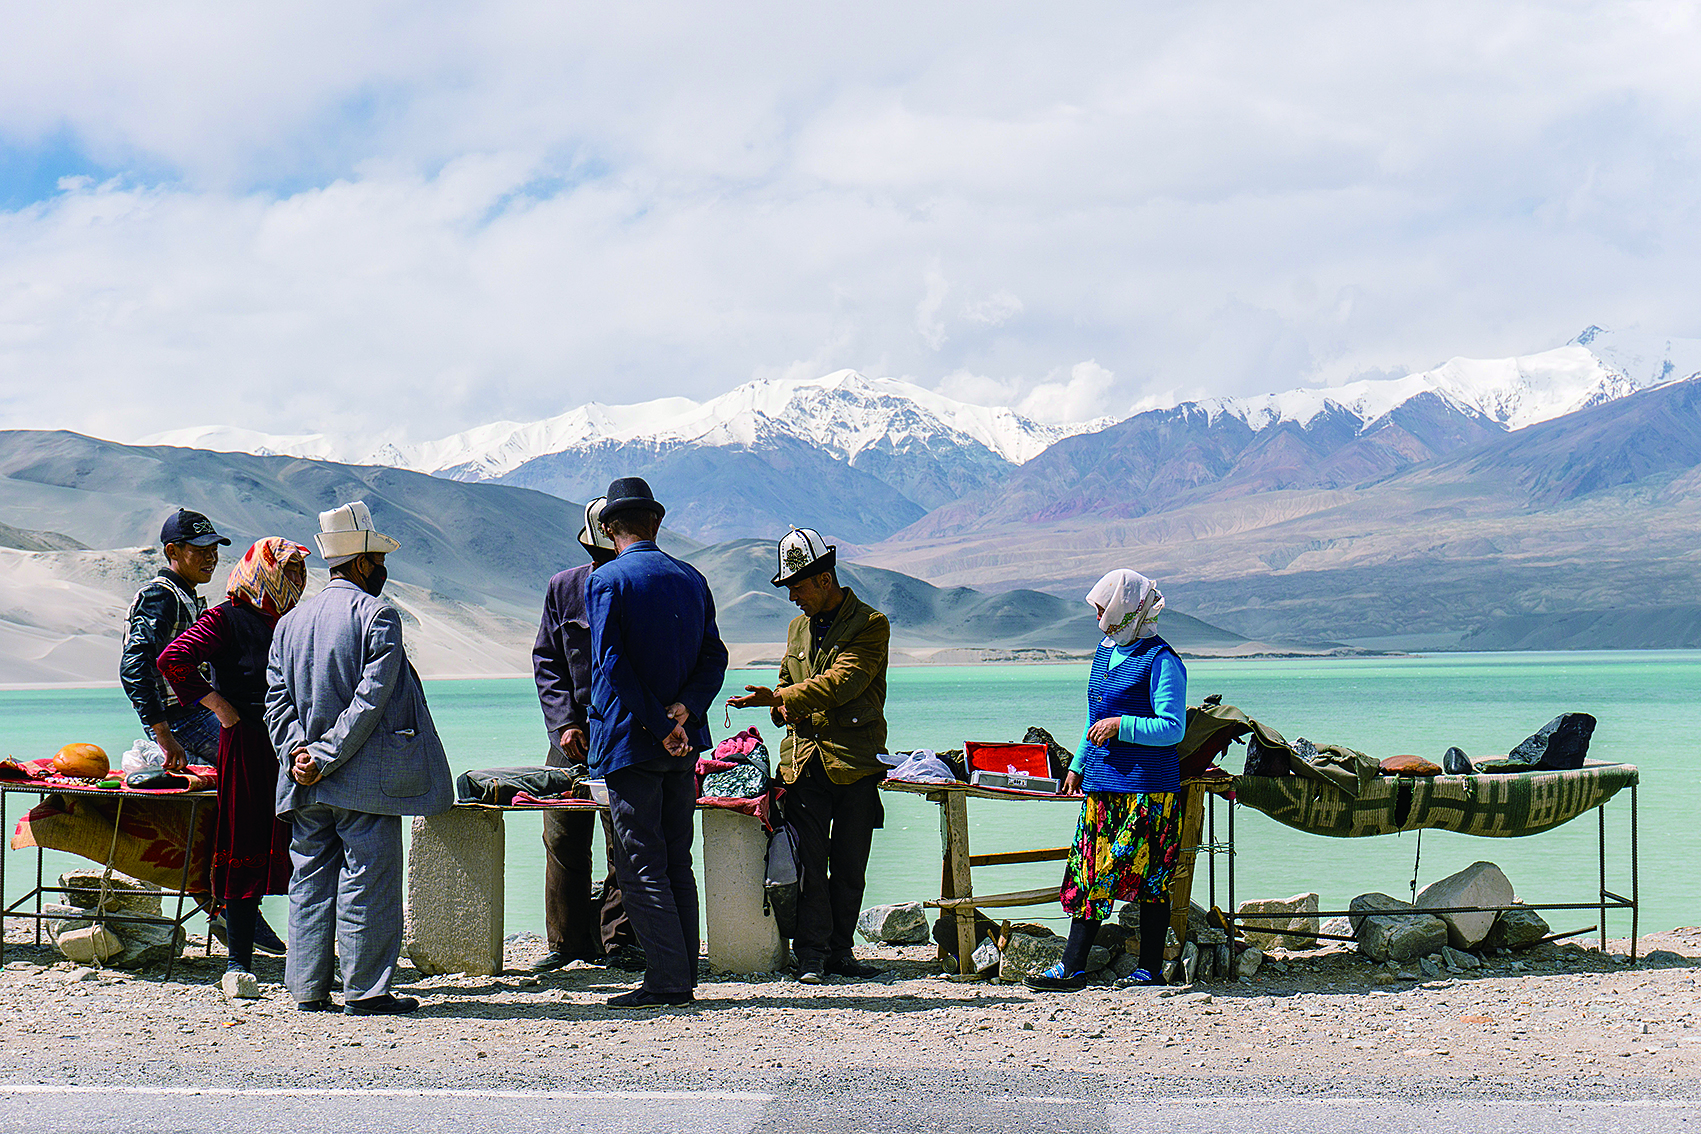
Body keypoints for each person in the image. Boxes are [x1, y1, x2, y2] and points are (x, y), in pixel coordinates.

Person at [265, 501, 453, 1016]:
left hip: (303, 782)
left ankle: (307, 989)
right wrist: (324, 755)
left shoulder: (291, 621)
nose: (383, 572)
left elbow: (275, 701)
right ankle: (366, 991)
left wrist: (298, 754)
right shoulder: (378, 616)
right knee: (367, 880)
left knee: (308, 880)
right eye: (379, 561)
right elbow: (369, 702)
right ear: (365, 563)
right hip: (363, 780)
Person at [586, 477, 727, 1008]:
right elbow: (715, 657)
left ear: (606, 528)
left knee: (640, 860)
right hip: (684, 743)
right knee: (676, 858)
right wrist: (684, 713)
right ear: (656, 524)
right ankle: (682, 972)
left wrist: (654, 723)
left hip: (632, 742)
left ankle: (667, 980)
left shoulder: (606, 582)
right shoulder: (692, 578)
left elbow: (611, 663)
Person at [728, 528, 889, 984]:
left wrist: (778, 697)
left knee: (851, 863)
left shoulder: (871, 624)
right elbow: (788, 677)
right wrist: (778, 705)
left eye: (797, 586)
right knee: (809, 863)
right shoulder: (796, 628)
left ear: (823, 579)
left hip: (853, 762)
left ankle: (841, 952)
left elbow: (843, 684)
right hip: (802, 763)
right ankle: (812, 954)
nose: (793, 596)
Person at [1026, 569, 1187, 992]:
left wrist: (1123, 725)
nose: (1097, 611)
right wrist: (1077, 765)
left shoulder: (1162, 660)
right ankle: (1072, 967)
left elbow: (1172, 728)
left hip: (1148, 789)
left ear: (1123, 605)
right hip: (1103, 784)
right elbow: (1093, 719)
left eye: (1102, 604)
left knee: (1150, 878)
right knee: (1090, 873)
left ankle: (1150, 969)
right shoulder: (1105, 651)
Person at [158, 538, 307, 990]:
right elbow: (173, 659)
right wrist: (217, 705)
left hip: (293, 745)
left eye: (301, 571)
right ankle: (238, 963)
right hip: (246, 744)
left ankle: (310, 957)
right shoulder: (226, 617)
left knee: (307, 845)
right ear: (263, 571)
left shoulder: (293, 621)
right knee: (246, 840)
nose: (298, 580)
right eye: (289, 571)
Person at [530, 496, 634, 972]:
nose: (600, 563)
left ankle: (619, 942)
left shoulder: (635, 586)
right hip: (570, 738)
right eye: (595, 554)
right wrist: (564, 723)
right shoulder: (562, 588)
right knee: (563, 836)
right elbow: (547, 661)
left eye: (606, 554)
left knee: (624, 838)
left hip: (621, 734)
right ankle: (567, 943)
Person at [121, 508, 231, 771]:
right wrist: (163, 734)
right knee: (256, 758)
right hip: (182, 720)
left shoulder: (186, 596)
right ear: (173, 551)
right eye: (200, 550)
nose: (211, 558)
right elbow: (134, 666)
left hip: (196, 714)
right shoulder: (161, 598)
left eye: (214, 550)